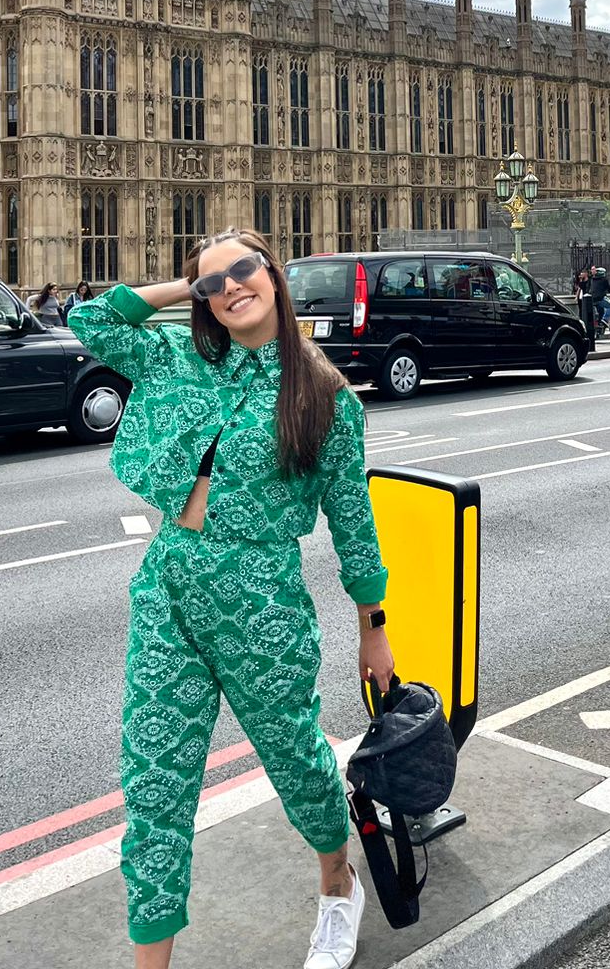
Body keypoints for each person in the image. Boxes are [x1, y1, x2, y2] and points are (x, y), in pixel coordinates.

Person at [67, 229, 394, 969]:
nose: (231, 286)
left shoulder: (326, 400)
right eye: (214, 282)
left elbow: (354, 522)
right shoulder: (181, 355)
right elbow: (91, 321)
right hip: (169, 583)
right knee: (153, 784)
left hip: (261, 598)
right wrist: (196, 289)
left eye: (244, 270)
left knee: (298, 764)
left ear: (274, 274)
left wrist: (373, 629)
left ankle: (338, 887)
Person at [588, 267, 610, 331]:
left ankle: (600, 327)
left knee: (601, 311)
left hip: (592, 299)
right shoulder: (604, 280)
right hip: (599, 299)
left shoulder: (592, 279)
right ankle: (604, 320)